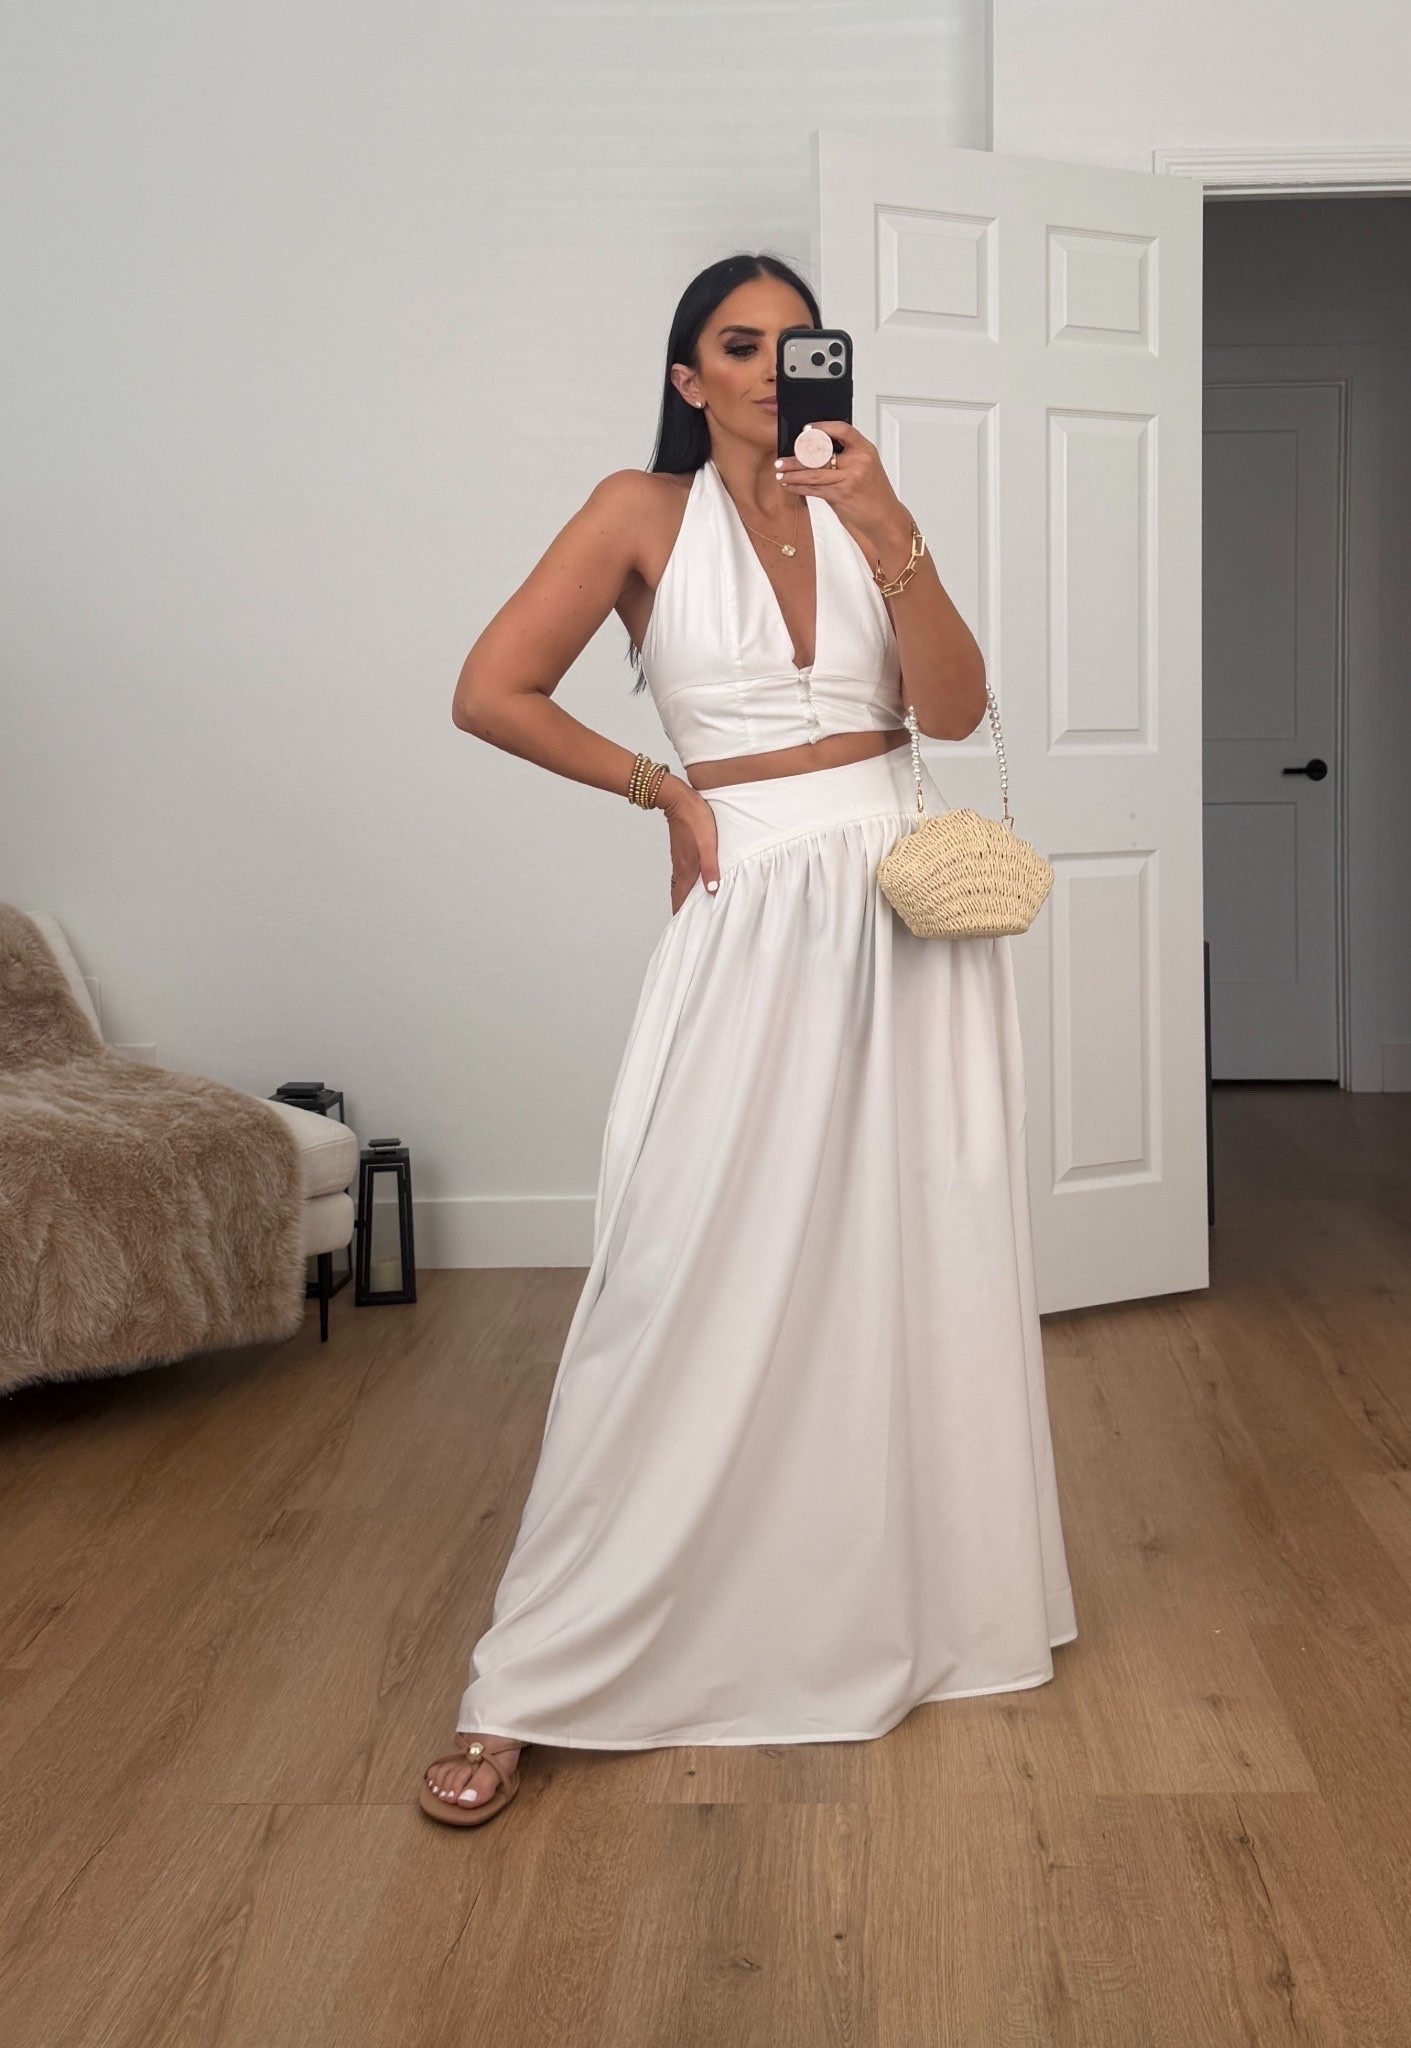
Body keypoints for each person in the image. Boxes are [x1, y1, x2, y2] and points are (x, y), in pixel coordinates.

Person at [420, 252, 1078, 1828]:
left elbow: (956, 710)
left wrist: (885, 522)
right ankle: (540, 1673)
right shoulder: (636, 513)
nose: (774, 368)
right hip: (755, 896)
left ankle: (895, 1613)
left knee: (911, 1255)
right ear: (687, 377)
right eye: (739, 343)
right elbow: (491, 690)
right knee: (679, 1265)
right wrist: (661, 789)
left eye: (800, 342)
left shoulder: (866, 508)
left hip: (901, 906)